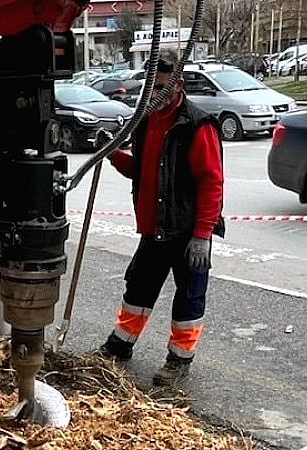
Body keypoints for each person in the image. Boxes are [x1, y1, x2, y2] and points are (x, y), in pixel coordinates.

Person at [98, 53, 225, 387]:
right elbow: (140, 170)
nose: (153, 94)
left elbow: (211, 182)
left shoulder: (196, 125)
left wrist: (202, 234)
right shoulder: (146, 120)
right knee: (138, 287)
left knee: (189, 296)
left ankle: (178, 361)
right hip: (155, 228)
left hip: (187, 230)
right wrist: (113, 154)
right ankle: (119, 346)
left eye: (160, 87)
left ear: (178, 85)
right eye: (149, 87)